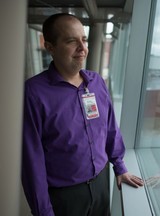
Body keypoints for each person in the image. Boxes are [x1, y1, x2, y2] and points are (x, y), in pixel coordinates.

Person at [22, 13, 143, 216]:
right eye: (71, 41)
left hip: (101, 184)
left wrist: (120, 167)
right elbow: (31, 159)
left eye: (84, 39)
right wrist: (43, 211)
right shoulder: (33, 92)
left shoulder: (96, 82)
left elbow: (110, 128)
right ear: (50, 47)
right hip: (64, 197)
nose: (82, 48)